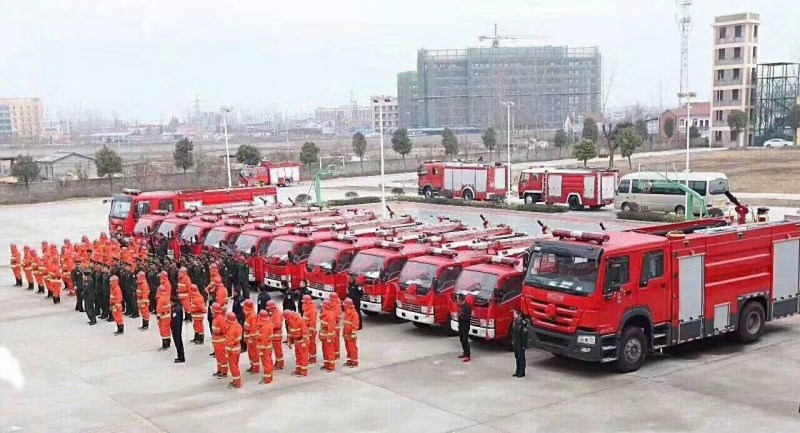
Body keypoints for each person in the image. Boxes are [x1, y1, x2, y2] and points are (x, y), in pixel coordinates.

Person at [285, 310, 309, 377]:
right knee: (298, 356)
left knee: (303, 357)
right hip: (297, 341)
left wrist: (303, 342)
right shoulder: (290, 321)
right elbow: (290, 332)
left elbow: (304, 331)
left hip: (302, 341)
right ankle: (298, 370)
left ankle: (303, 372)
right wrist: (289, 341)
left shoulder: (300, 320)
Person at [253, 309, 274, 384]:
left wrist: (261, 350)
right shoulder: (269, 323)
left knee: (266, 363)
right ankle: (269, 376)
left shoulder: (265, 327)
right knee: (269, 361)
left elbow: (264, 339)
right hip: (268, 346)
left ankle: (267, 379)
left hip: (265, 348)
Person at [225, 312, 243, 388]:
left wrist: (227, 353)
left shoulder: (231, 330)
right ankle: (236, 381)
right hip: (237, 349)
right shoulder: (238, 326)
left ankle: (237, 383)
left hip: (233, 351)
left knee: (233, 367)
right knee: (235, 365)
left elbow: (230, 343)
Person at [210, 303, 229, 377]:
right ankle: (219, 370)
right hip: (216, 341)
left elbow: (224, 331)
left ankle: (224, 372)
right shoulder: (216, 318)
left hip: (220, 342)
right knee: (218, 357)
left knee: (222, 357)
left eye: (212, 310)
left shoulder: (220, 319)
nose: (211, 311)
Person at [242, 299, 260, 374]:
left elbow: (253, 328)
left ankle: (256, 368)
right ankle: (252, 366)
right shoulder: (248, 315)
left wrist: (251, 338)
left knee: (254, 353)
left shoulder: (252, 316)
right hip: (248, 337)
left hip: (251, 338)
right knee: (250, 352)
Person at [319, 300, 336, 372]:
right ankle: (326, 364)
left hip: (328, 337)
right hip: (324, 336)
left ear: (325, 306)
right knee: (325, 351)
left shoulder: (330, 314)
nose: (321, 307)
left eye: (323, 306)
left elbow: (331, 327)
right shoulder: (325, 313)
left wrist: (329, 338)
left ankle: (331, 366)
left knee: (329, 351)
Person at [511, 309, 529, 378]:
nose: (514, 315)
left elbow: (524, 335)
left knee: (521, 357)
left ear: (519, 314)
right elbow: (513, 333)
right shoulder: (515, 321)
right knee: (517, 356)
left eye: (515, 314)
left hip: (520, 343)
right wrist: (513, 341)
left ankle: (522, 372)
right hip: (516, 342)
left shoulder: (523, 323)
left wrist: (524, 345)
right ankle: (517, 370)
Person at [343, 298, 360, 368]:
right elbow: (346, 323)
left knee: (352, 348)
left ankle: (354, 362)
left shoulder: (354, 314)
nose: (344, 307)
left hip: (351, 334)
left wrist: (353, 333)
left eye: (345, 305)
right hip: (347, 333)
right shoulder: (347, 313)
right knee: (348, 348)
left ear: (347, 306)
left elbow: (355, 324)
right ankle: (349, 360)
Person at [268, 301, 284, 370]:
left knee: (278, 351)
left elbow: (277, 325)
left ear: (272, 308)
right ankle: (278, 363)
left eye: (269, 308)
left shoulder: (277, 314)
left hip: (276, 335)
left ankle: (280, 364)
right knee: (276, 350)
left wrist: (268, 327)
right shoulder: (274, 313)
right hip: (274, 335)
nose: (269, 310)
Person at [302, 295, 318, 363]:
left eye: (305, 302)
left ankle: (312, 358)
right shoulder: (307, 309)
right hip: (307, 329)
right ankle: (310, 356)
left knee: (311, 344)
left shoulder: (312, 310)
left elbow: (313, 321)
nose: (303, 303)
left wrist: (311, 330)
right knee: (309, 344)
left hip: (310, 330)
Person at [156, 286, 172, 351]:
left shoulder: (160, 299)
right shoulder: (167, 297)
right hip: (168, 315)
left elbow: (159, 309)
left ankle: (165, 344)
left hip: (163, 316)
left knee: (163, 330)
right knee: (167, 329)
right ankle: (168, 342)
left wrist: (158, 317)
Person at [457, 294, 471, 362]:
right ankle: (464, 352)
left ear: (461, 300)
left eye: (458, 300)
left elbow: (467, 317)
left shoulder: (467, 307)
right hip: (461, 325)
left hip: (465, 326)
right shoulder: (461, 306)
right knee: (462, 339)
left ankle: (468, 355)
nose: (457, 301)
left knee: (465, 340)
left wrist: (460, 316)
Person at [171, 298, 186, 363]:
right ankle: (180, 356)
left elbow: (176, 321)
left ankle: (181, 357)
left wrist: (173, 328)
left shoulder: (176, 309)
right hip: (177, 328)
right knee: (178, 342)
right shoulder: (177, 307)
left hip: (176, 328)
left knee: (178, 342)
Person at [330, 293, 343, 360]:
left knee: (336, 341)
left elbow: (334, 316)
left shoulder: (336, 307)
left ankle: (336, 354)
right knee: (334, 341)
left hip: (335, 326)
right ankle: (335, 353)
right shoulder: (334, 305)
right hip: (333, 325)